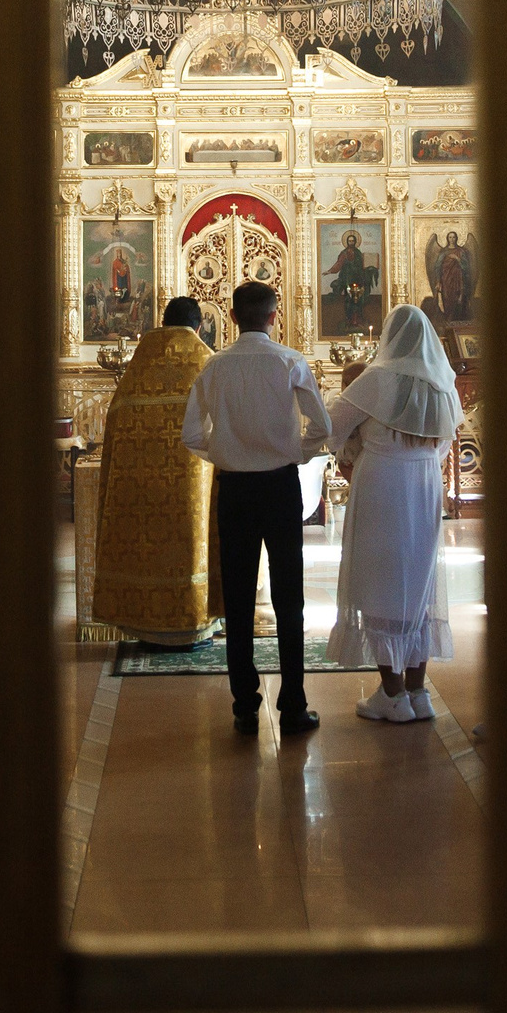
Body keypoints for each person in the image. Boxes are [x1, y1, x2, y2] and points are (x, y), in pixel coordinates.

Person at [182, 279, 331, 737]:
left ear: (230, 317)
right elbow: (321, 427)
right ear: (274, 317)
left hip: (236, 492)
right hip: (281, 487)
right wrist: (294, 453)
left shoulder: (214, 367)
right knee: (290, 598)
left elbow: (191, 436)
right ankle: (293, 706)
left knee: (240, 599)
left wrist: (227, 452)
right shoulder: (289, 361)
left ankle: (244, 705)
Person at [327, 304, 462, 723]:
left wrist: (363, 445)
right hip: (423, 484)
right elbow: (444, 442)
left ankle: (392, 694)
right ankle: (418, 693)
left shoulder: (376, 380)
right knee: (419, 580)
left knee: (380, 577)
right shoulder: (443, 383)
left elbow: (333, 427)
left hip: (382, 482)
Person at [91, 297, 220, 646]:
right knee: (193, 546)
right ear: (197, 327)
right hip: (194, 479)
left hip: (139, 480)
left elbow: (115, 419)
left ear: (163, 323)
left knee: (145, 547)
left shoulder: (140, 364)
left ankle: (145, 621)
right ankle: (195, 621)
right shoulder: (207, 361)